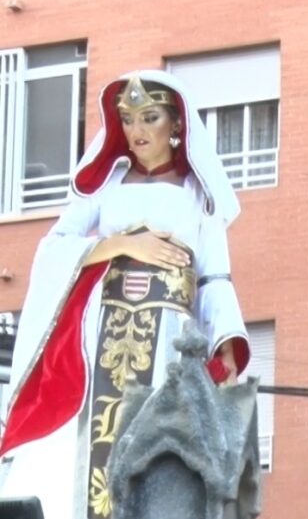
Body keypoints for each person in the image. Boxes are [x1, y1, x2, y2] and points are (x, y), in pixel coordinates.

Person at [0, 70, 251, 519]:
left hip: (172, 336)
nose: (136, 130)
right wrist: (122, 245)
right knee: (99, 449)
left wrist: (227, 342)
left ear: (176, 125)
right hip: (106, 334)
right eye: (128, 119)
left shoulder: (199, 194)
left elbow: (215, 279)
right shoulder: (106, 185)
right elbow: (54, 246)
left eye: (149, 117)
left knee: (162, 444)